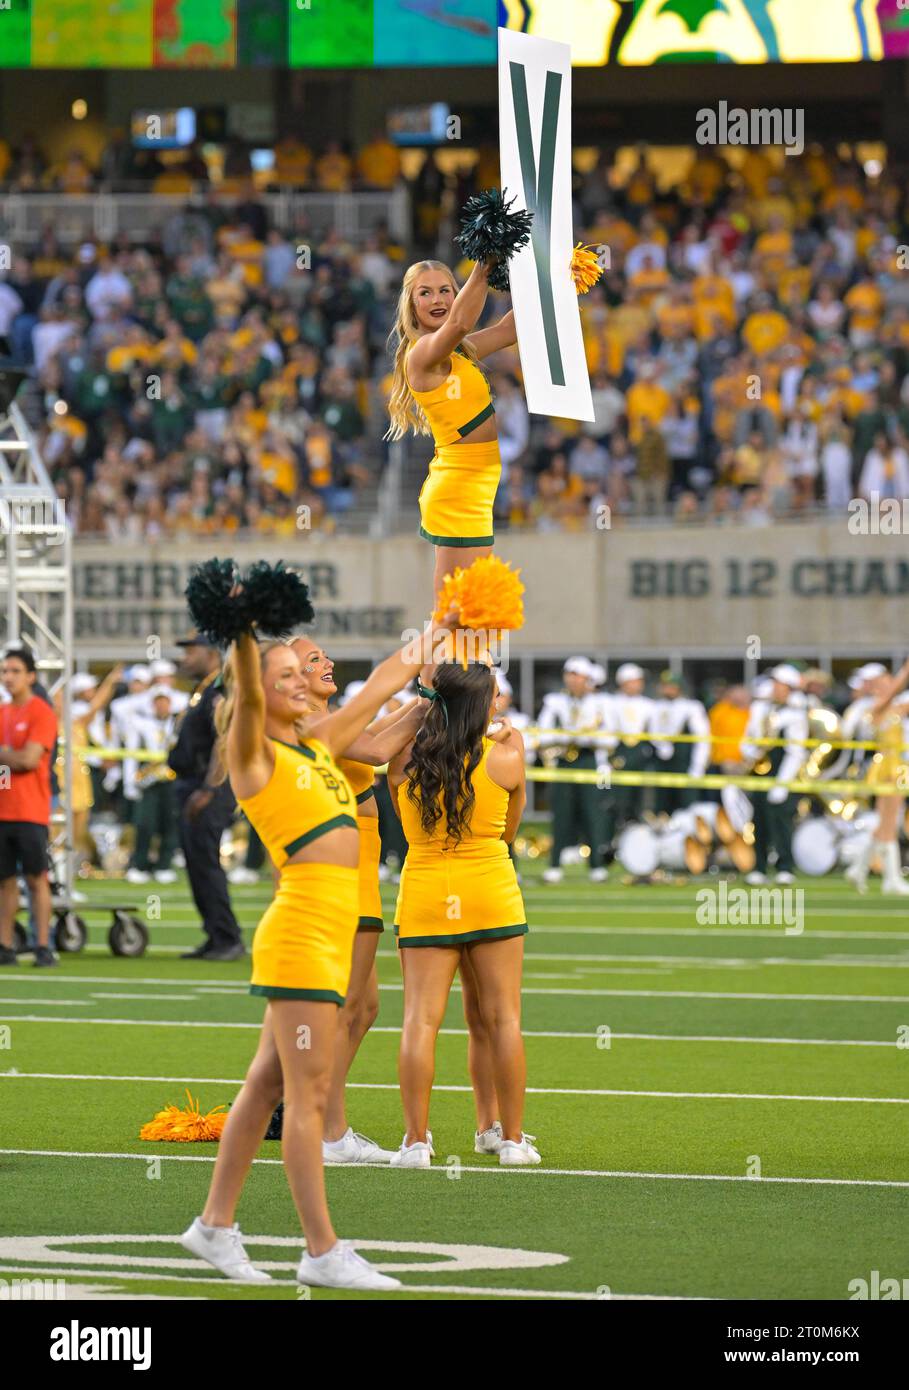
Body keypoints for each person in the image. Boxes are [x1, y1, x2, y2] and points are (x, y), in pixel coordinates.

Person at [181, 603, 456, 1291]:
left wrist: (441, 628)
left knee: (266, 1083)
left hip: (331, 932)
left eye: (299, 673)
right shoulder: (253, 753)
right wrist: (242, 630)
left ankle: (213, 1227)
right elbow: (245, 692)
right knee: (305, 1098)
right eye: (284, 677)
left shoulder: (319, 744)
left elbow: (379, 687)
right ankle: (321, 1249)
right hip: (301, 932)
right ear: (256, 690)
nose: (301, 682)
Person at [386, 658, 539, 1168]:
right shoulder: (508, 756)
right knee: (501, 1020)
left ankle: (415, 1142)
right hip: (489, 890)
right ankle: (509, 1140)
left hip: (427, 892)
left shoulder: (405, 758)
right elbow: (509, 833)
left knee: (419, 1022)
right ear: (485, 705)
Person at [289, 637, 427, 1164]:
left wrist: (424, 700)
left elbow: (378, 734)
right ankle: (323, 1127)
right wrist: (429, 698)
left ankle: (321, 1120)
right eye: (312, 660)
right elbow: (375, 750)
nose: (325, 663)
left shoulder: (328, 714)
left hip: (360, 860)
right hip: (341, 866)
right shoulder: (305, 719)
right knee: (343, 1007)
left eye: (323, 656)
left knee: (364, 1006)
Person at [385, 258, 517, 600]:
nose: (438, 299)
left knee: (467, 615)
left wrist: (561, 285)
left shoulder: (461, 351)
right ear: (412, 305)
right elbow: (459, 322)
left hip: (478, 482)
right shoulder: (421, 354)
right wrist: (485, 264)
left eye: (445, 290)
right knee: (454, 616)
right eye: (425, 293)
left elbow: (508, 330)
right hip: (458, 488)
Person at [168, 632, 243, 961]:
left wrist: (209, 789)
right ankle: (215, 934)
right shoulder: (203, 689)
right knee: (197, 863)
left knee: (207, 863)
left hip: (208, 785)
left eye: (190, 651)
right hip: (192, 783)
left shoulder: (222, 687)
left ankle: (227, 937)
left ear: (212, 652)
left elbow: (223, 740)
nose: (185, 658)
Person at [0, 647, 59, 967]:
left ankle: (42, 945)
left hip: (31, 811)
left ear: (31, 676)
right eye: (4, 671)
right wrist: (10, 754)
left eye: (14, 671)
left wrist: (6, 754)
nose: (8, 677)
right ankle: (5, 945)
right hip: (3, 809)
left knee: (37, 879)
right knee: (4, 881)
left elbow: (29, 759)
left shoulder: (41, 712)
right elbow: (15, 761)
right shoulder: (2, 712)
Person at [537, 657, 610, 885]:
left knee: (592, 814)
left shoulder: (600, 704)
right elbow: (542, 733)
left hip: (588, 760)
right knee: (561, 814)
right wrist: (566, 735)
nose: (573, 680)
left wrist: (586, 737)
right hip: (564, 760)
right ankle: (555, 864)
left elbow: (611, 738)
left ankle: (596, 865)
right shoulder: (555, 702)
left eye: (578, 675)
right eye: (570, 674)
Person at [845, 658, 909, 896]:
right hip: (887, 767)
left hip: (896, 765)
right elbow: (891, 695)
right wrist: (904, 672)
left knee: (886, 823)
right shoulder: (874, 706)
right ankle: (890, 879)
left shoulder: (895, 705)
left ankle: (859, 869)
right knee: (889, 823)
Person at [742, 665, 808, 886]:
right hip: (760, 771)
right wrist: (750, 751)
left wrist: (782, 783)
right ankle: (758, 867)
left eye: (780, 684)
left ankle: (785, 866)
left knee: (781, 821)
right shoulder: (760, 708)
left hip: (782, 772)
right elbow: (749, 736)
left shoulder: (795, 713)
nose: (776, 688)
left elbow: (795, 752)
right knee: (758, 819)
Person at [126, 686, 179, 885]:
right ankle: (140, 864)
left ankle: (164, 865)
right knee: (144, 824)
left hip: (171, 781)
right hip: (148, 782)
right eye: (158, 701)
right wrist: (130, 783)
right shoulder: (141, 725)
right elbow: (132, 755)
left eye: (165, 701)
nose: (162, 705)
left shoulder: (177, 724)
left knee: (170, 824)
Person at [649, 671, 710, 816]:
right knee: (662, 807)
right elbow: (653, 732)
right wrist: (661, 745)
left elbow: (702, 738)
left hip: (685, 764)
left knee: (687, 808)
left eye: (672, 686)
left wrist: (698, 766)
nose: (668, 689)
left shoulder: (692, 707)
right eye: (665, 686)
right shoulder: (657, 706)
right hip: (663, 763)